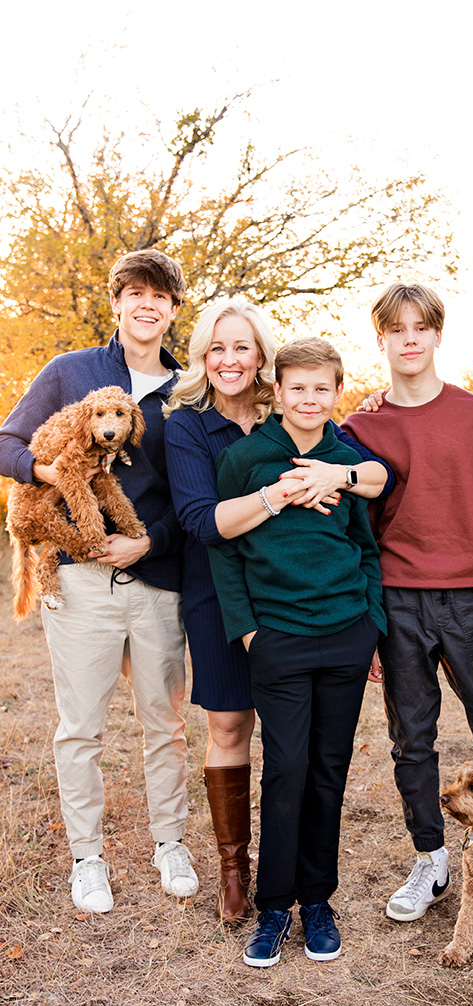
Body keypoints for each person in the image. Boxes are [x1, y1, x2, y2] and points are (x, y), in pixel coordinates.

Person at [164, 299, 393, 925]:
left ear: (261, 361)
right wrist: (247, 628)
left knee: (325, 765)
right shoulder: (204, 435)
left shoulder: (326, 440)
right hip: (253, 618)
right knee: (253, 743)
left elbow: (376, 495)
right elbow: (210, 531)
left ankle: (316, 899)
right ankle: (247, 880)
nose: (228, 359)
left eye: (241, 347)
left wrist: (341, 477)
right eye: (216, 348)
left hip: (339, 627)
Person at [0, 250, 199, 914]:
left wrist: (149, 542)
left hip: (158, 577)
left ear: (174, 309)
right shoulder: (71, 371)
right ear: (117, 301)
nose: (147, 305)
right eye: (134, 293)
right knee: (79, 726)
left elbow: (193, 495)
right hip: (78, 578)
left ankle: (169, 842)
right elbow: (7, 443)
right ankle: (87, 859)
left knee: (164, 723)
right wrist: (52, 476)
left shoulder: (189, 389)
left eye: (160, 296)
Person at [342, 282, 473, 925]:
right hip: (397, 604)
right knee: (412, 741)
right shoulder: (359, 428)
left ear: (436, 336)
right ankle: (432, 859)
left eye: (420, 328)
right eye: (395, 329)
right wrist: (371, 624)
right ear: (381, 339)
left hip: (469, 603)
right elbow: (356, 537)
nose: (408, 339)